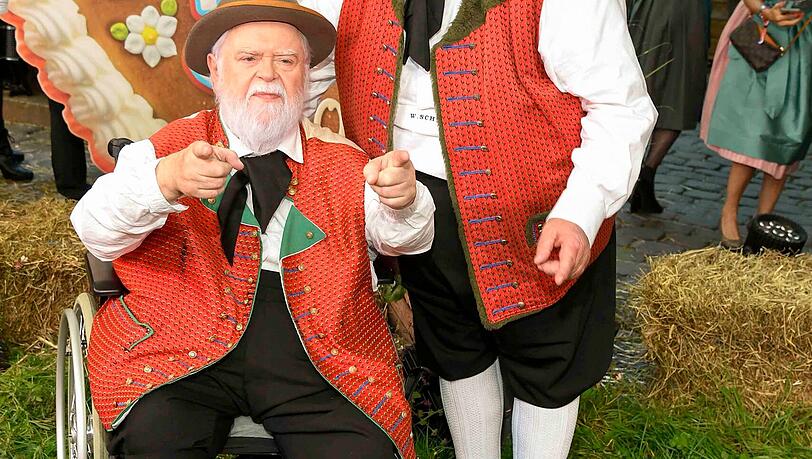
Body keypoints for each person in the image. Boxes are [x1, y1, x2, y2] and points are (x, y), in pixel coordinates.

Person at [70, 1, 434, 457]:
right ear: (215, 68)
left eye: (286, 61)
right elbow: (95, 230)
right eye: (249, 58)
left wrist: (405, 200)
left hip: (319, 352)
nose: (268, 74)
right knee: (155, 440)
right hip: (180, 342)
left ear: (307, 75)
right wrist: (165, 181)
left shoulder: (345, 160)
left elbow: (405, 239)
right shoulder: (168, 147)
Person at [303, 0, 656, 457]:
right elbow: (292, 59)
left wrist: (581, 210)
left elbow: (619, 105)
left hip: (542, 214)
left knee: (546, 362)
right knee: (455, 351)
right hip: (411, 204)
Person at [701, 0, 811, 247]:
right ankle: (729, 212)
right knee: (752, 130)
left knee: (790, 132)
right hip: (763, 33)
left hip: (803, 38)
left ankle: (763, 220)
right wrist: (764, 10)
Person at [627, 0, 710, 213]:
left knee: (644, 86)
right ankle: (645, 174)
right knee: (678, 93)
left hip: (656, 11)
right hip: (686, 13)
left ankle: (638, 176)